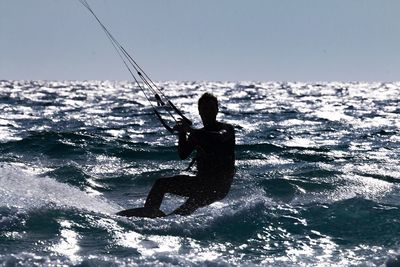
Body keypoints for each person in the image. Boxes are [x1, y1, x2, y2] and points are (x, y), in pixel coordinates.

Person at [144, 92, 235, 216]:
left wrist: (190, 131)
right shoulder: (197, 133)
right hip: (201, 183)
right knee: (161, 185)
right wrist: (182, 133)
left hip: (217, 187)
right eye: (205, 109)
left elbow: (219, 138)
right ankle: (149, 214)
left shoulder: (226, 129)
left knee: (191, 204)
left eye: (212, 109)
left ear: (217, 111)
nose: (208, 112)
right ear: (199, 111)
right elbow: (183, 154)